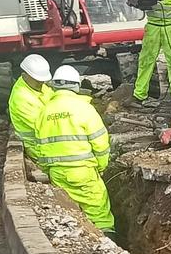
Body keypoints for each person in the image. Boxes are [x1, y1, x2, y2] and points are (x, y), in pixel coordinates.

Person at [32, 65, 115, 232]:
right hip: (83, 171)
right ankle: (109, 247)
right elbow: (100, 143)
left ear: (54, 86)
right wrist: (102, 166)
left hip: (57, 173)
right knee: (99, 212)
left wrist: (47, 169)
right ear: (76, 86)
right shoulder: (84, 108)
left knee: (69, 212)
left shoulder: (44, 111)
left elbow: (39, 146)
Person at [7, 53, 52, 146]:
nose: (41, 83)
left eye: (43, 80)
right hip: (38, 146)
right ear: (24, 76)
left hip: (48, 142)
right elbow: (42, 126)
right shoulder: (21, 98)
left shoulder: (37, 87)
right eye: (38, 80)